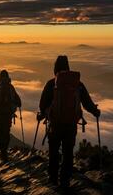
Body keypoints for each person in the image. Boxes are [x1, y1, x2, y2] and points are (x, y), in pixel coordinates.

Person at [37, 55, 100, 189]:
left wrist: (43, 114)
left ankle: (53, 180)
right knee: (68, 153)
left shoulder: (51, 84)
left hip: (55, 125)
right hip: (71, 124)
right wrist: (95, 111)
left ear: (55, 68)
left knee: (53, 152)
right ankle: (64, 180)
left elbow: (42, 105)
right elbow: (87, 102)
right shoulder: (78, 84)